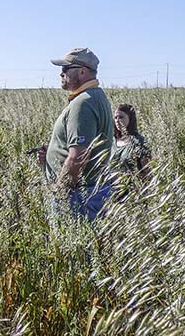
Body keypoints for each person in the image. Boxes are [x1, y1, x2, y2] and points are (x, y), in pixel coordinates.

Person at [37, 47, 114, 221]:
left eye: (65, 69)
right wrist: (54, 152)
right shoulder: (95, 96)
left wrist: (59, 190)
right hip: (89, 190)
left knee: (72, 246)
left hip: (77, 195)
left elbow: (78, 156)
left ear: (82, 72)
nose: (61, 73)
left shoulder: (83, 103)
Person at [110, 103, 153, 191]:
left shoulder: (139, 142)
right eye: (115, 117)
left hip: (131, 193)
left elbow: (147, 173)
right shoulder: (112, 141)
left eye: (121, 117)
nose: (117, 120)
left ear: (130, 119)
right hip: (111, 192)